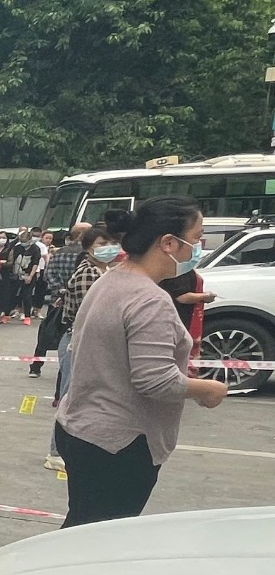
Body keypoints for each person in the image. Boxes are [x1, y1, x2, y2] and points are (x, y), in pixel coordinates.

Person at [55, 199, 227, 526]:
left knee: (82, 529)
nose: (199, 247)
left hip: (82, 428)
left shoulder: (112, 279)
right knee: (99, 539)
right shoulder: (150, 300)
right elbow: (156, 380)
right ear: (169, 243)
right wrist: (208, 388)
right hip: (119, 444)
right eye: (197, 237)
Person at [43, 224, 120, 471]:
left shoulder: (105, 270)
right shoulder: (88, 273)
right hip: (78, 340)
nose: (108, 248)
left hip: (90, 341)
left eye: (112, 243)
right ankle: (55, 452)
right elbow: (93, 313)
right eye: (102, 244)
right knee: (70, 398)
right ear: (88, 248)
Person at [30, 222, 90, 377]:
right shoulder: (88, 256)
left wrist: (60, 291)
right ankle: (65, 371)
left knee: (47, 332)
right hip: (79, 303)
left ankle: (36, 366)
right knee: (73, 338)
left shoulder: (59, 253)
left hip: (57, 301)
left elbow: (48, 275)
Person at [4, 229, 40, 322]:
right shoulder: (17, 247)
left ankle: (27, 316)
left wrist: (30, 276)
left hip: (28, 274)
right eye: (22, 241)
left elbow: (35, 263)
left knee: (27, 296)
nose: (23, 243)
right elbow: (12, 260)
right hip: (16, 274)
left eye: (25, 241)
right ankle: (7, 314)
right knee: (11, 294)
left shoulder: (35, 249)